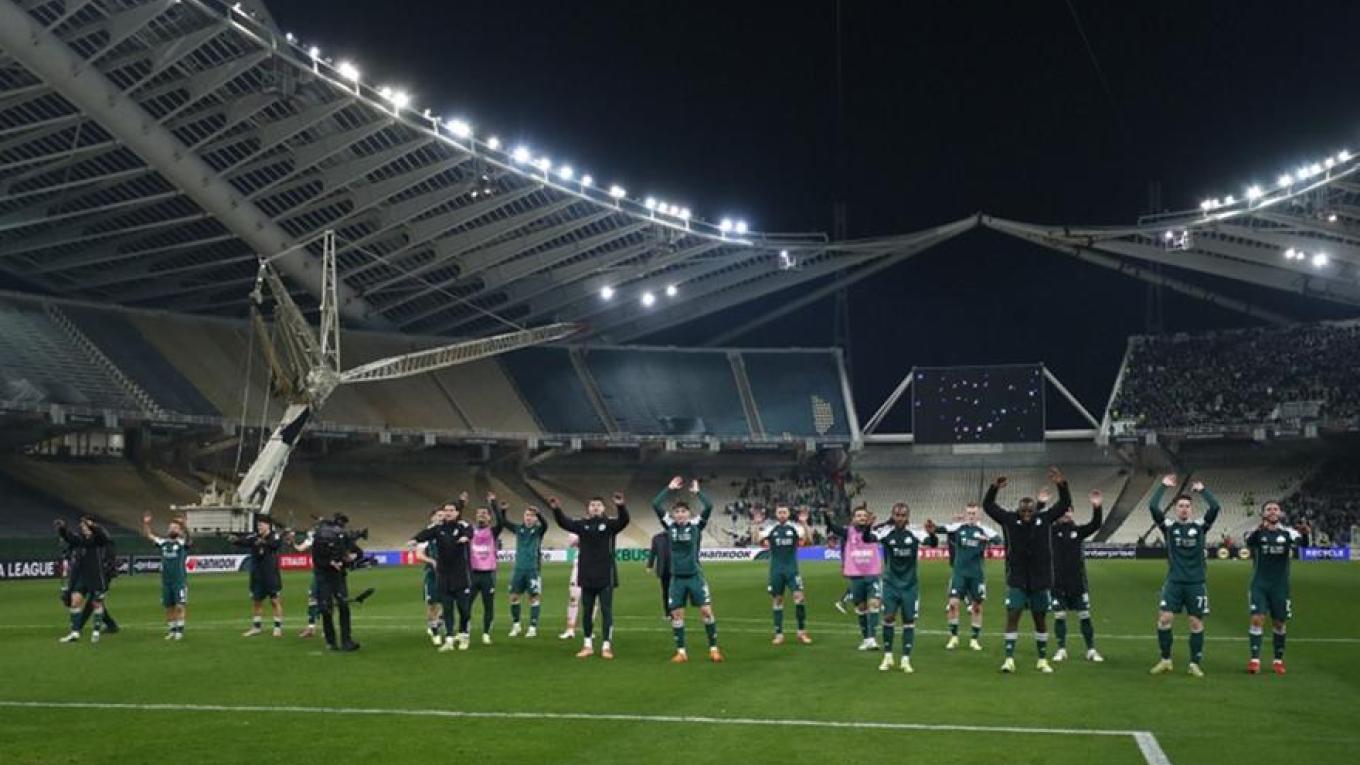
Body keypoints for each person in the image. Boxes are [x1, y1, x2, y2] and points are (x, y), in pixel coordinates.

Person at [983, 467, 1071, 673]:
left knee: (1040, 619)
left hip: (1041, 579)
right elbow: (988, 506)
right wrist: (994, 488)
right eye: (1023, 511)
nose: (1026, 515)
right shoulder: (1009, 520)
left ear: (1034, 510)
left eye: (1030, 511)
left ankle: (1042, 659)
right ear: (1018, 510)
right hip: (1017, 578)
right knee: (1013, 615)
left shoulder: (1045, 519)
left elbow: (1064, 504)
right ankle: (1008, 659)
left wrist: (1062, 485)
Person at [1148, 473, 1221, 677]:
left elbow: (1215, 507)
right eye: (1180, 506)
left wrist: (1203, 490)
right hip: (1174, 581)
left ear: (1192, 509)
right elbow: (1153, 507)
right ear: (1175, 509)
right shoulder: (1169, 528)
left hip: (1196, 582)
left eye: (1187, 506)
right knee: (1164, 619)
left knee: (1195, 622)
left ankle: (1194, 663)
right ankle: (1166, 660)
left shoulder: (1200, 527)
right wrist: (1163, 486)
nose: (1184, 509)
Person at [549, 491, 630, 659]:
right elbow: (564, 522)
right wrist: (556, 509)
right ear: (588, 508)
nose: (595, 507)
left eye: (598, 505)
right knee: (587, 611)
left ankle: (606, 646)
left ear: (603, 508)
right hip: (586, 574)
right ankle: (587, 645)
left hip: (605, 574)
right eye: (592, 505)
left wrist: (621, 506)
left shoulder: (610, 524)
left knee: (606, 611)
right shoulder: (582, 525)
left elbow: (624, 520)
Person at [652, 477, 722, 663]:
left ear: (689, 514)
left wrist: (698, 492)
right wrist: (669, 488)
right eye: (677, 512)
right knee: (676, 614)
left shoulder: (696, 526)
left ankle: (714, 649)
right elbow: (656, 504)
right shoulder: (670, 526)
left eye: (683, 511)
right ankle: (681, 652)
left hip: (695, 576)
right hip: (677, 578)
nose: (680, 514)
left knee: (706, 611)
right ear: (673, 515)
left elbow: (709, 506)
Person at [867, 503, 938, 673]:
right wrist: (868, 526)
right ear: (893, 516)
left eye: (903, 515)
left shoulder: (915, 533)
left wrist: (932, 534)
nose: (900, 518)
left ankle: (905, 659)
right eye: (897, 515)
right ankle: (888, 656)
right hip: (890, 584)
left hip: (910, 585)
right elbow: (867, 539)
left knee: (908, 620)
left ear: (908, 517)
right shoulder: (886, 532)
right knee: (889, 617)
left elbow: (932, 544)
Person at [1244, 501, 1307, 675]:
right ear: (1263, 513)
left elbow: (1303, 546)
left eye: (1275, 509)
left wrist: (1305, 535)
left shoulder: (1289, 533)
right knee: (1257, 619)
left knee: (1279, 622)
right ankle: (1254, 660)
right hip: (1259, 584)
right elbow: (1249, 542)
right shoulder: (1257, 532)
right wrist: (1259, 529)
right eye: (1269, 509)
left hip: (1280, 585)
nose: (1272, 511)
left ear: (1280, 513)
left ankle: (1278, 660)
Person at [1050, 489, 1106, 663]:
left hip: (1077, 583)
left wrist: (1097, 508)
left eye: (1068, 511)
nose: (1066, 514)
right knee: (1059, 616)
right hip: (1057, 583)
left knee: (1084, 616)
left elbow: (1095, 525)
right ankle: (1061, 650)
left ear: (1073, 513)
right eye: (1063, 511)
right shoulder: (1049, 531)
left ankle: (1091, 650)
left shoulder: (1078, 531)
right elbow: (1037, 523)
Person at [409, 503, 474, 652]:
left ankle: (464, 635)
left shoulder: (462, 526)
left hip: (461, 575)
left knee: (464, 609)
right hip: (444, 574)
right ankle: (449, 639)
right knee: (447, 608)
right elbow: (425, 533)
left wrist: (466, 537)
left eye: (451, 510)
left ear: (457, 513)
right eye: (446, 510)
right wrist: (414, 540)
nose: (448, 513)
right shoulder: (438, 528)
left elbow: (470, 531)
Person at [941, 504, 1002, 651]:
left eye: (974, 513)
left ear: (979, 515)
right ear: (965, 514)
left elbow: (998, 539)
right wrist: (935, 526)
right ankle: (953, 637)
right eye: (969, 513)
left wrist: (986, 539)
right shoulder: (959, 527)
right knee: (953, 603)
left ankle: (974, 639)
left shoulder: (984, 529)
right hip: (959, 573)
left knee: (977, 607)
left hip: (976, 575)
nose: (971, 516)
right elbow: (942, 529)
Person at [826, 506, 882, 650]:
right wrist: (827, 517)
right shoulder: (848, 532)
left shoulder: (875, 532)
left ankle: (872, 638)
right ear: (853, 519)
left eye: (864, 515)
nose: (862, 517)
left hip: (872, 573)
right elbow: (833, 528)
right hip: (856, 575)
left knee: (874, 603)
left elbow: (867, 537)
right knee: (861, 607)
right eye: (859, 515)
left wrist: (869, 526)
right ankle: (866, 639)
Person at [756, 504, 812, 645]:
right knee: (778, 600)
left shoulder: (795, 528)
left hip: (792, 570)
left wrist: (805, 524)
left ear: (788, 514)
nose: (782, 514)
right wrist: (756, 524)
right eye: (780, 512)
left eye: (784, 512)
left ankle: (801, 632)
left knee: (799, 598)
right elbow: (758, 541)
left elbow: (808, 542)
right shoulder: (771, 528)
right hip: (776, 570)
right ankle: (779, 634)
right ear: (776, 514)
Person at [311, 514, 362, 651]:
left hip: (337, 576)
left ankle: (346, 640)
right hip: (324, 576)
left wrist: (350, 558)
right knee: (326, 608)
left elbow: (358, 552)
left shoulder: (341, 537)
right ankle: (331, 641)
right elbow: (317, 560)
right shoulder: (320, 540)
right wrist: (331, 562)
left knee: (343, 605)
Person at [56, 516, 111, 644]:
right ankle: (75, 632)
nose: (83, 527)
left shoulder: (98, 539)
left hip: (96, 576)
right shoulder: (80, 540)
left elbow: (103, 537)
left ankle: (96, 630)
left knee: (96, 603)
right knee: (75, 602)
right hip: (82, 576)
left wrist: (92, 525)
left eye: (85, 526)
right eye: (82, 525)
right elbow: (69, 537)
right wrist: (62, 529)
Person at [231, 516, 285, 637]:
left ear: (268, 525)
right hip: (257, 575)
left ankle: (277, 628)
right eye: (258, 525)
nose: (259, 527)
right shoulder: (255, 536)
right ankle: (256, 627)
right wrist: (235, 540)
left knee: (275, 601)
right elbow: (244, 541)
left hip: (271, 574)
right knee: (257, 601)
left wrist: (264, 542)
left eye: (261, 524)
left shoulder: (274, 536)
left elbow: (275, 544)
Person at [141, 512, 191, 640]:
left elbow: (189, 538)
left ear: (179, 531)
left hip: (179, 581)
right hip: (166, 581)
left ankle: (179, 631)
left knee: (179, 606)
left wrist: (185, 526)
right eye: (171, 528)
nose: (172, 529)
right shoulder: (163, 543)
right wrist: (146, 524)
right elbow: (149, 536)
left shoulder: (182, 543)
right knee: (168, 607)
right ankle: (172, 630)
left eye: (175, 528)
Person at [469, 495, 507, 645]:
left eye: (484, 514)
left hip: (488, 574)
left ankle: (486, 633)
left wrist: (494, 504)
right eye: (479, 514)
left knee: (488, 605)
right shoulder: (470, 531)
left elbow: (502, 522)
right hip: (472, 574)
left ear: (489, 517)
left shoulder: (493, 532)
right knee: (465, 604)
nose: (481, 516)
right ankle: (465, 629)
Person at [506, 504, 549, 638]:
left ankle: (532, 627)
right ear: (523, 517)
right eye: (527, 515)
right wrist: (501, 510)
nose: (529, 518)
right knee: (513, 596)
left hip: (532, 569)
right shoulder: (518, 529)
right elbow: (504, 522)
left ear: (536, 518)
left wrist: (539, 513)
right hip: (518, 569)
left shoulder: (538, 530)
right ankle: (516, 625)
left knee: (533, 597)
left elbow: (546, 524)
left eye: (532, 516)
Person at [646, 529, 672, 619]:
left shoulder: (677, 535)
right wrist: (649, 565)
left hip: (676, 569)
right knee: (665, 592)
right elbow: (653, 552)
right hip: (663, 570)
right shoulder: (657, 538)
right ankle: (668, 613)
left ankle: (675, 612)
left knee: (675, 592)